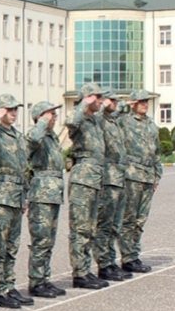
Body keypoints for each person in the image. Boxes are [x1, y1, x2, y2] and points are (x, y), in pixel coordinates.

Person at [0, 94, 33, 308]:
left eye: (15, 109)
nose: (13, 113)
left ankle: (9, 285)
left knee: (11, 246)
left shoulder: (18, 136)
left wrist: (26, 194)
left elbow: (23, 168)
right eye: (8, 109)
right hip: (1, 196)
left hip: (17, 195)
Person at [65, 83, 111, 290]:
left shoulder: (95, 121)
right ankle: (79, 273)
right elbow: (70, 122)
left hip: (95, 179)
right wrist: (83, 102)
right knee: (80, 228)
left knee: (90, 227)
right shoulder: (80, 119)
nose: (101, 100)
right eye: (98, 97)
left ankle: (86, 269)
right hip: (83, 178)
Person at [25, 101, 68, 299]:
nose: (55, 117)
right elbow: (32, 140)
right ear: (41, 116)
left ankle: (44, 278)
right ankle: (36, 281)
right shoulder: (36, 134)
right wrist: (42, 122)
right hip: (41, 195)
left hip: (53, 194)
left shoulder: (51, 137)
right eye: (51, 114)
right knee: (41, 239)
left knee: (49, 239)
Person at [119, 89, 162, 273]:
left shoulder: (151, 124)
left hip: (147, 176)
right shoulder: (125, 121)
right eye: (141, 101)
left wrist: (157, 175)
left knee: (140, 220)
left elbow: (157, 152)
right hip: (132, 175)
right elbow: (111, 114)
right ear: (133, 103)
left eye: (146, 101)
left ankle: (134, 255)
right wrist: (126, 104)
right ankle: (127, 257)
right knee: (128, 218)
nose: (145, 104)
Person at [92, 89, 132, 282]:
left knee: (115, 225)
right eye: (111, 100)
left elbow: (126, 107)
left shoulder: (114, 119)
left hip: (119, 177)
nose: (114, 103)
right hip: (107, 179)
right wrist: (102, 104)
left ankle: (110, 260)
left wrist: (117, 102)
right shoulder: (99, 119)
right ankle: (103, 264)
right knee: (104, 225)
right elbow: (93, 114)